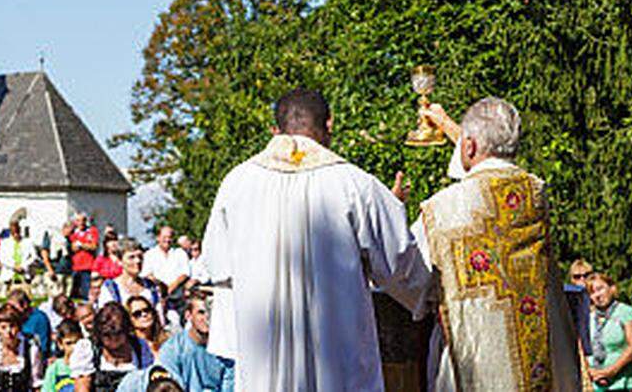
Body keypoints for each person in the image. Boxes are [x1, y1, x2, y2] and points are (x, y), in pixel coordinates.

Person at [200, 88, 429, 392]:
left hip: (265, 370)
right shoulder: (355, 185)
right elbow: (401, 265)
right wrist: (430, 296)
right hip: (339, 366)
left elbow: (218, 269)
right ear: (330, 125)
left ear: (275, 131)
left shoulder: (236, 184)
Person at [414, 98, 581, 392]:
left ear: (469, 146)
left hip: (475, 366)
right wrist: (454, 129)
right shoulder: (535, 194)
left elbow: (410, 274)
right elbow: (488, 172)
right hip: (541, 365)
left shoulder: (443, 209)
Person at [70, 303, 155, 392]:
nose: (113, 339)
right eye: (107, 335)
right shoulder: (87, 348)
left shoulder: (139, 347)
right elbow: (82, 386)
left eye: (117, 334)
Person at [158, 292, 229, 392]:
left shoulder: (226, 350)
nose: (207, 318)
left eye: (211, 312)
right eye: (201, 312)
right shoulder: (171, 350)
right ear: (188, 315)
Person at [585, 273, 632, 391]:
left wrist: (611, 371)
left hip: (623, 382)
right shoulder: (587, 318)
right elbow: (582, 349)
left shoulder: (627, 312)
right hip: (595, 384)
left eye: (600, 289)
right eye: (592, 292)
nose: (597, 295)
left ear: (612, 288)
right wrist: (591, 373)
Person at [0, 303, 44, 392]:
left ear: (19, 327)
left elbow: (37, 386)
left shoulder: (31, 349)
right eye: (3, 327)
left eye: (12, 326)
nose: (8, 332)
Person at [98, 240, 161, 317]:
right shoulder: (110, 288)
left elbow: (159, 316)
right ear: (120, 261)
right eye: (131, 257)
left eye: (140, 256)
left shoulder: (151, 287)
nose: (138, 261)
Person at [141, 229, 189, 315]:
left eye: (170, 237)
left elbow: (185, 273)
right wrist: (160, 285)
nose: (167, 240)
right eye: (164, 237)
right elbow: (146, 274)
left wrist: (171, 287)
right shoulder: (149, 254)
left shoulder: (180, 253)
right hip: (158, 298)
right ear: (158, 238)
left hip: (177, 298)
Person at [5, 289, 51, 361]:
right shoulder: (13, 317)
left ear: (24, 305)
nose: (10, 310)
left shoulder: (39, 318)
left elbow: (43, 347)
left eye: (13, 307)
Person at [42, 321, 83, 392]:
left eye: (77, 342)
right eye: (68, 343)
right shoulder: (55, 368)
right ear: (60, 344)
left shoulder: (88, 366)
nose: (74, 347)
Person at [69, 216, 99, 301]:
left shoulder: (91, 231)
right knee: (73, 293)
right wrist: (85, 245)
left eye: (83, 220)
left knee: (86, 291)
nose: (81, 223)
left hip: (87, 265)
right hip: (76, 265)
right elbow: (73, 248)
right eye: (78, 220)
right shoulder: (75, 233)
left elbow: (93, 246)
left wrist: (81, 245)